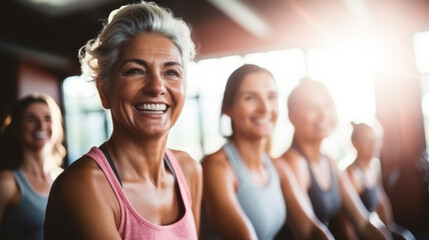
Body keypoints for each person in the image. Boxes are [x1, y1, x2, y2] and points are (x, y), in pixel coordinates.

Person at [44, 2, 202, 240]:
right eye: (135, 70)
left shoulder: (189, 170)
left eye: (171, 72)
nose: (157, 87)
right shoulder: (84, 185)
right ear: (104, 91)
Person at [276, 78, 392, 240]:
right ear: (292, 116)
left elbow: (362, 222)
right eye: (312, 108)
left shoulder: (329, 162)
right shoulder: (293, 162)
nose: (323, 114)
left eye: (327, 106)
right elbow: (311, 233)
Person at [200, 64, 286, 240]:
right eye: (250, 98)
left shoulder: (275, 164)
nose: (265, 108)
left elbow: (310, 228)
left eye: (271, 97)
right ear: (228, 108)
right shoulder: (217, 166)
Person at [0, 93, 66, 240]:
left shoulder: (65, 178)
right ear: (16, 127)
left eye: (48, 118)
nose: (41, 125)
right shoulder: (7, 183)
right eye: (31, 119)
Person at [345, 122, 415, 240]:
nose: (374, 145)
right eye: (368, 141)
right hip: (361, 232)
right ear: (355, 143)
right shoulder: (352, 174)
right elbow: (347, 220)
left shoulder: (375, 166)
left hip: (373, 225)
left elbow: (381, 200)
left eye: (375, 140)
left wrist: (390, 228)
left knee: (406, 237)